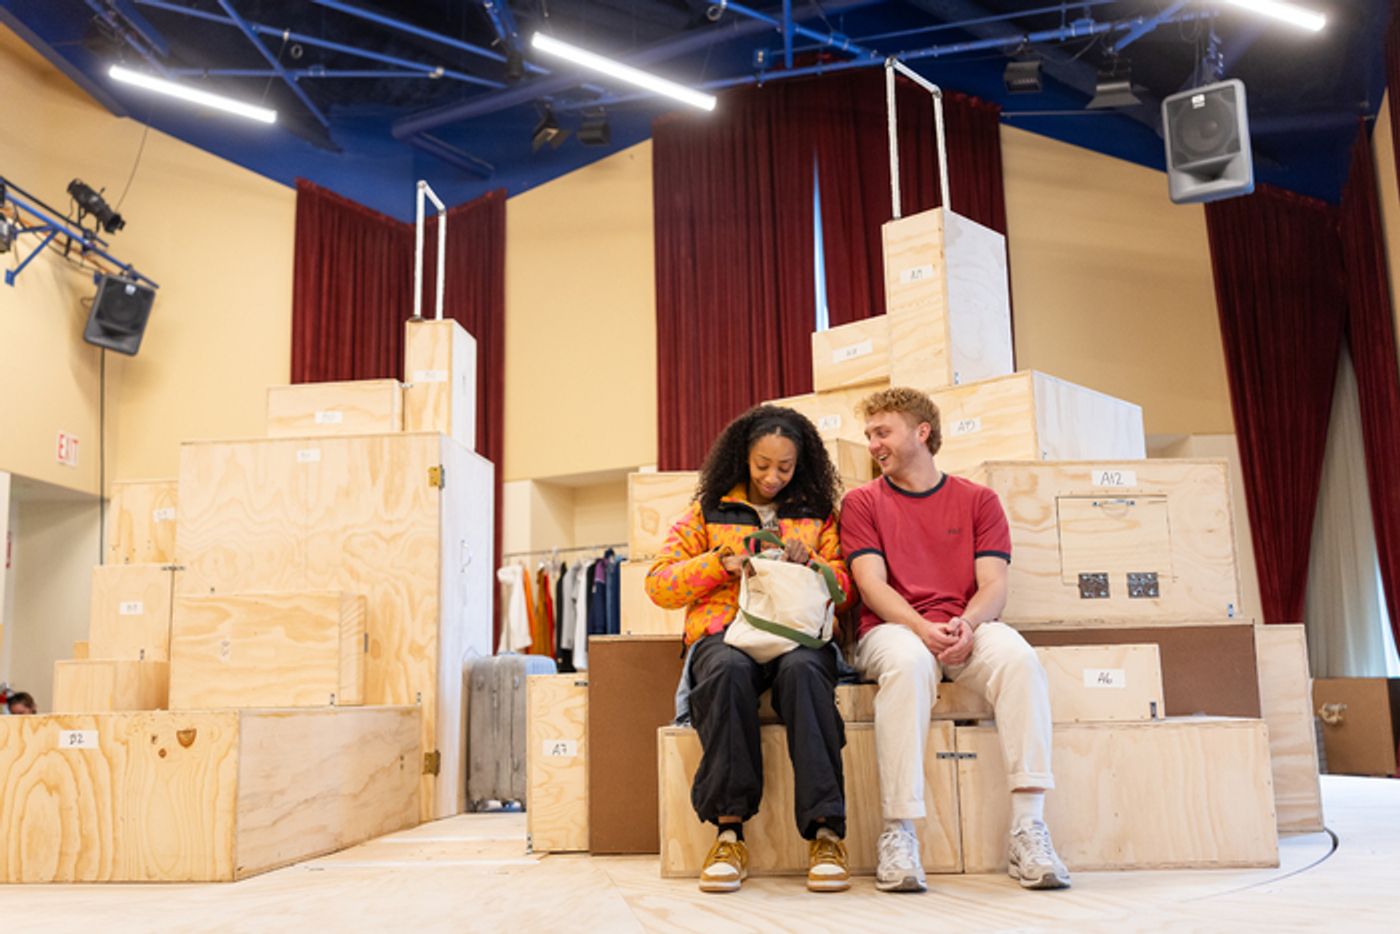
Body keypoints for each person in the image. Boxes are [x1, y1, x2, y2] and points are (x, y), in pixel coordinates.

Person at [839, 387, 1070, 892]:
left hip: (965, 626)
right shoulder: (860, 502)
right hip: (892, 630)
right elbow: (871, 586)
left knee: (1019, 659)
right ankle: (899, 831)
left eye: (883, 432)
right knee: (908, 663)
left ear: (922, 432)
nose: (873, 445)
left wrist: (967, 623)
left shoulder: (978, 500)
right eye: (869, 435)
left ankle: (1028, 828)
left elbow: (994, 586)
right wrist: (921, 628)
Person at [646, 404, 853, 894]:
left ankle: (826, 832)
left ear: (801, 464)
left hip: (796, 633)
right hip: (724, 633)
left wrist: (813, 563)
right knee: (725, 670)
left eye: (785, 467)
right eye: (762, 465)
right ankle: (728, 832)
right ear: (744, 457)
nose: (773, 477)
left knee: (805, 673)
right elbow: (659, 585)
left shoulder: (818, 516)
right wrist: (720, 563)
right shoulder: (707, 512)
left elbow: (845, 587)